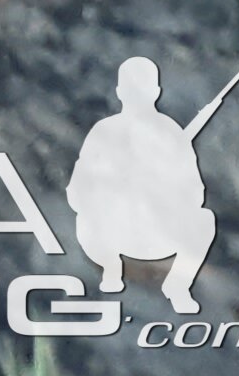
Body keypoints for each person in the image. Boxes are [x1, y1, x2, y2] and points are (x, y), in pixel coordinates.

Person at [67, 57, 219, 314]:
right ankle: (111, 270)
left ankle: (178, 287)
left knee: (204, 221)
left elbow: (195, 193)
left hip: (157, 234)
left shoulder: (170, 135)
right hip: (110, 235)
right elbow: (78, 191)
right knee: (87, 219)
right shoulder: (104, 132)